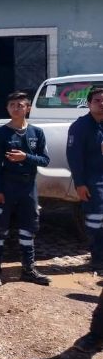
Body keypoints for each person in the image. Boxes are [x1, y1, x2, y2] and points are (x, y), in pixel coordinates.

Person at [0, 91, 52, 287]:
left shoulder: (37, 133)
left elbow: (45, 160)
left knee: (29, 228)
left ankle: (28, 270)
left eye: (20, 104)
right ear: (8, 108)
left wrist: (26, 157)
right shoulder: (0, 134)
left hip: (28, 187)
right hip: (7, 186)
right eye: (12, 104)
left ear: (28, 108)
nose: (16, 108)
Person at [66, 86, 103, 271]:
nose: (101, 104)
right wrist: (80, 183)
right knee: (96, 219)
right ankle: (97, 257)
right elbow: (74, 157)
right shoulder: (80, 126)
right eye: (97, 101)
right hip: (93, 180)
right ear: (88, 104)